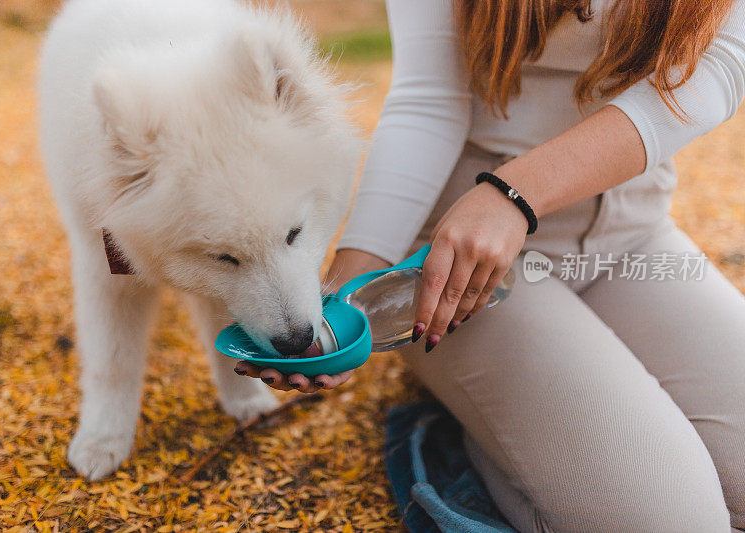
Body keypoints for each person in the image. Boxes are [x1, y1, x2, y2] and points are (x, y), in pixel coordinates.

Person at [236, 0, 745, 530]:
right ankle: (490, 434)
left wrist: (518, 194)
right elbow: (429, 101)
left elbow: (721, 67)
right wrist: (350, 291)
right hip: (462, 258)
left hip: (633, 238)